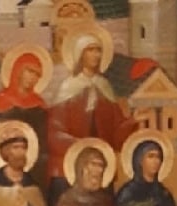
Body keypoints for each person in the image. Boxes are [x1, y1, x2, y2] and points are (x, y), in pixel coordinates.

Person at [47, 31, 136, 183]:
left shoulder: (104, 86)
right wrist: (79, 145)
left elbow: (116, 134)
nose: (96, 55)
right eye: (90, 50)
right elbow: (54, 132)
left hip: (102, 165)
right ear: (80, 54)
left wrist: (132, 121)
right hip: (71, 166)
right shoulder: (68, 87)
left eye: (98, 50)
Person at [0, 47, 51, 180]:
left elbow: (44, 139)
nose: (33, 78)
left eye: (37, 75)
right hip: (1, 163)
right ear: (18, 70)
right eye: (29, 71)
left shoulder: (39, 105)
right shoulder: (1, 100)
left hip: (32, 164)